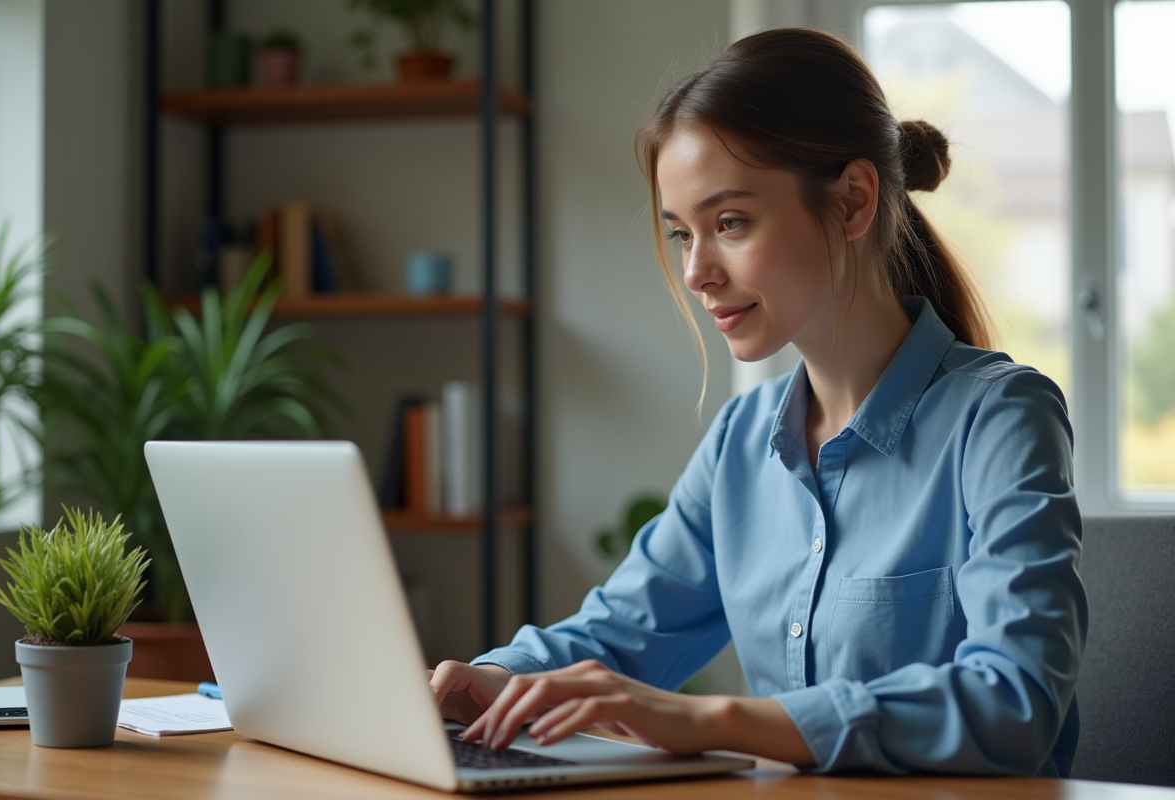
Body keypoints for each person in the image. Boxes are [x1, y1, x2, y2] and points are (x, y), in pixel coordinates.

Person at [429, 27, 1088, 776]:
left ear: (853, 202)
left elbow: (1016, 701)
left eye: (730, 223)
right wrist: (484, 680)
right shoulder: (743, 439)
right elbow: (617, 636)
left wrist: (710, 719)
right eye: (682, 233)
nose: (696, 271)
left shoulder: (1001, 418)